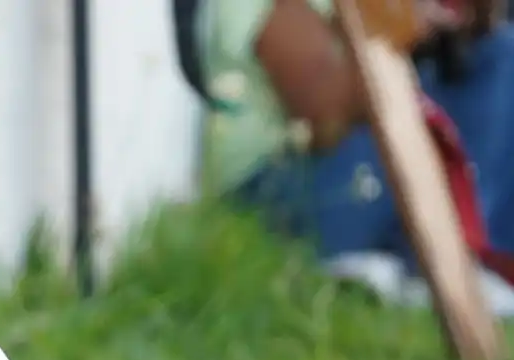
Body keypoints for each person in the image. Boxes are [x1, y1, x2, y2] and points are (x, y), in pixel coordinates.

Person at [191, 0, 514, 311]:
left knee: (498, 54)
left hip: (349, 174)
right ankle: (438, 268)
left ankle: (469, 261)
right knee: (425, 133)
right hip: (275, 193)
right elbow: (323, 113)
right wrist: (404, 29)